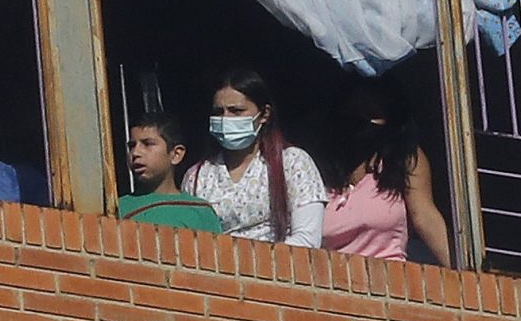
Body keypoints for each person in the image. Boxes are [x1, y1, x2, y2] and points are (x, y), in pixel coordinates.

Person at [186, 67, 325, 248]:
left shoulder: (293, 163)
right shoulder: (197, 176)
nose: (226, 119)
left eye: (236, 111)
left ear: (264, 114)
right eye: (219, 112)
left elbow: (308, 240)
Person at [324, 82, 451, 264]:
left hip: (389, 280)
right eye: (358, 112)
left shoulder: (404, 159)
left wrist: (464, 278)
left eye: (373, 112)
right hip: (333, 285)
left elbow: (424, 217)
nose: (364, 120)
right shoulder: (325, 173)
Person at [117, 113, 222, 231]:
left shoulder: (200, 211)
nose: (135, 153)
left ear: (176, 154)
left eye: (147, 144)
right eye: (132, 146)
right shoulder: (116, 209)